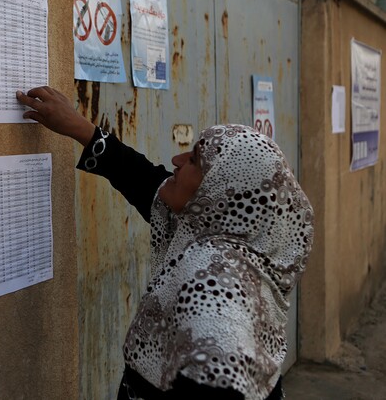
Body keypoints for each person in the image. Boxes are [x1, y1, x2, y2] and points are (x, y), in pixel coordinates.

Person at [16, 87, 314, 400]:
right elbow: (144, 180)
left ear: (222, 190)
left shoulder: (215, 288)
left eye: (196, 161)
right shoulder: (228, 235)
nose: (177, 159)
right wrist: (79, 127)